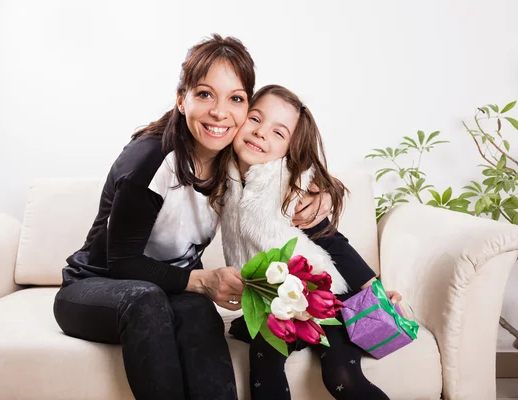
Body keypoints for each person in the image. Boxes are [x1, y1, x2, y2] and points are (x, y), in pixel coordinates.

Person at [53, 36, 330, 400]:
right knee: (148, 299)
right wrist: (201, 281)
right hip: (94, 287)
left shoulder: (231, 158)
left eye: (235, 99)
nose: (219, 112)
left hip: (167, 288)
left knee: (199, 311)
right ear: (181, 99)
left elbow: (292, 159)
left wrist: (326, 190)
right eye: (204, 94)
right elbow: (122, 264)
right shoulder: (150, 160)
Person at [223, 85, 399, 399]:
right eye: (254, 119)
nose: (261, 133)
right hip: (278, 307)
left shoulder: (290, 186)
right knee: (264, 357)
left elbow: (332, 241)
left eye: (278, 133)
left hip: (326, 302)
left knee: (341, 375)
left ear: (290, 149)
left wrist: (376, 291)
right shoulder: (225, 177)